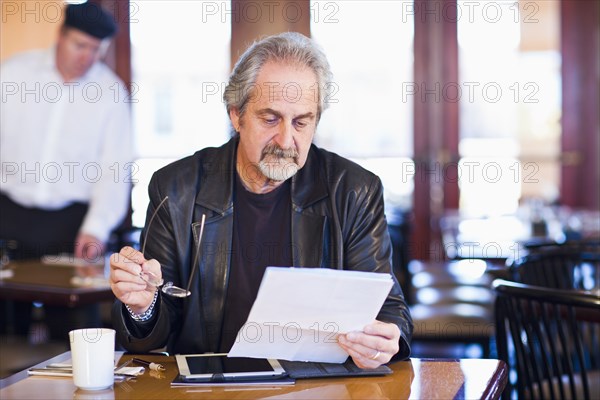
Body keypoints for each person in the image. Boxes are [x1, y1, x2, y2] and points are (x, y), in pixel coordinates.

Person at [110, 32, 412, 368]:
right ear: (236, 115)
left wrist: (386, 338)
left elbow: (388, 308)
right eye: (270, 119)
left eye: (301, 122)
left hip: (317, 385)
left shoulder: (354, 190)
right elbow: (157, 331)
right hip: (210, 387)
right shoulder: (176, 188)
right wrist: (143, 307)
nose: (286, 139)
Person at [0, 3, 132, 338]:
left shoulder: (110, 93)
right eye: (79, 45)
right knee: (6, 329)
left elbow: (114, 170)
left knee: (71, 336)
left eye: (95, 49)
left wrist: (96, 230)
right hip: (8, 214)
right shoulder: (13, 73)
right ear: (60, 35)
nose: (86, 56)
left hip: (71, 226)